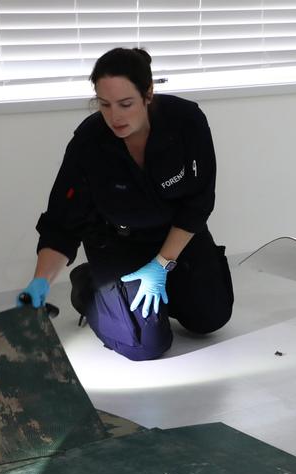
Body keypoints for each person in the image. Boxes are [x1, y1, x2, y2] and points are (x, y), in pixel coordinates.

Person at [18, 47, 234, 361]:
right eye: (104, 105)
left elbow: (200, 201)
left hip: (177, 234)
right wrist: (40, 282)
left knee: (211, 318)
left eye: (126, 104)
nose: (114, 116)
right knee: (145, 346)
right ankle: (91, 286)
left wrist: (161, 264)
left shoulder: (186, 121)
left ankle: (159, 291)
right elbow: (62, 223)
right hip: (117, 242)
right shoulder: (89, 143)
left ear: (148, 94)